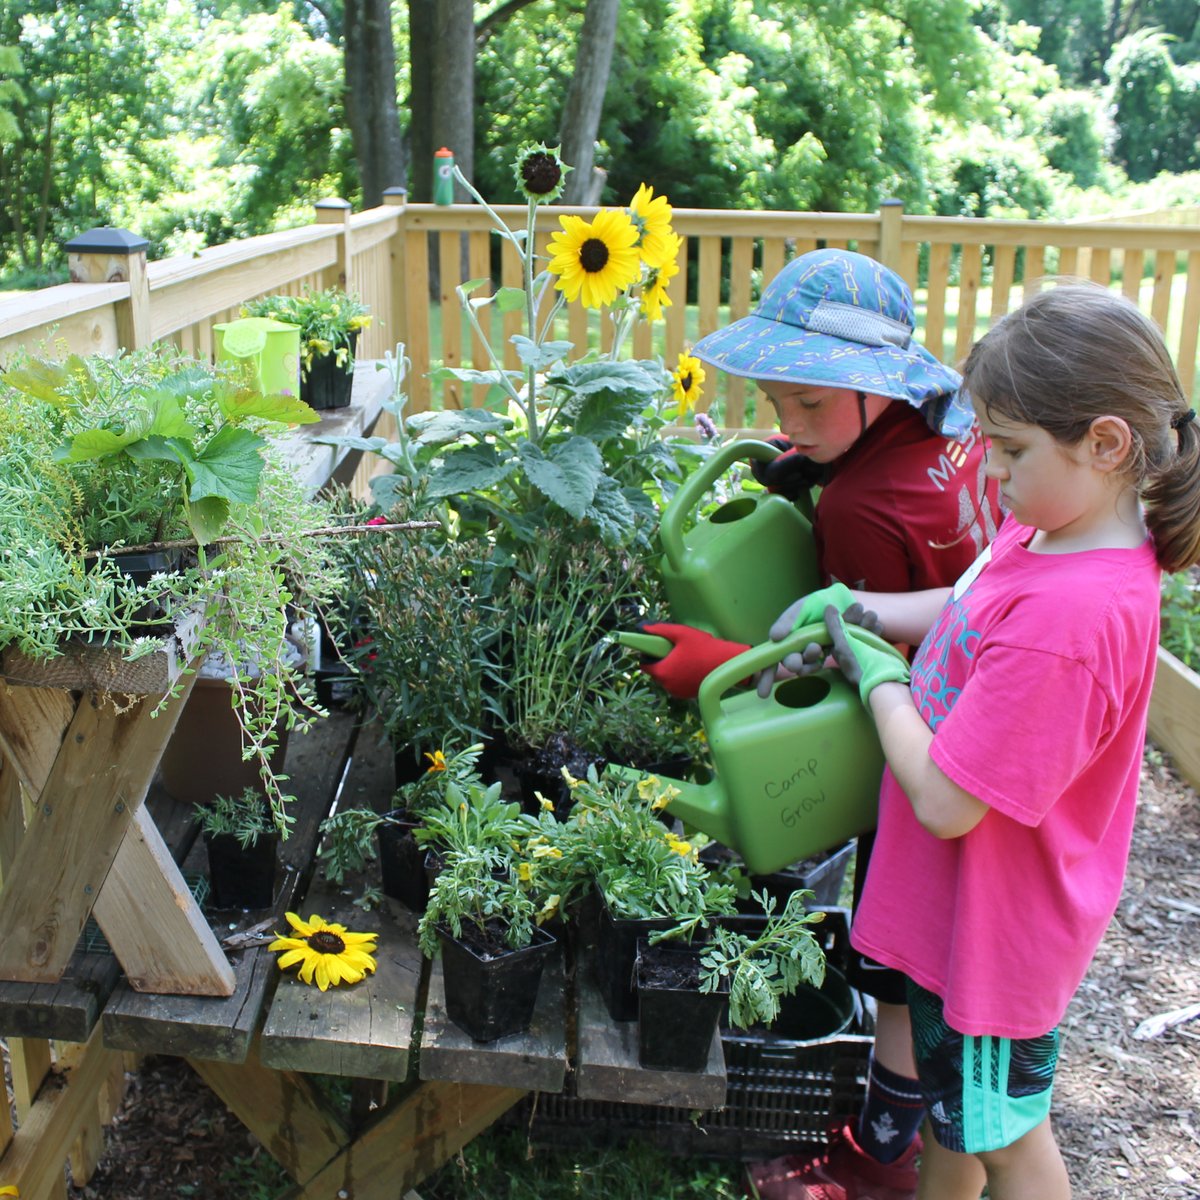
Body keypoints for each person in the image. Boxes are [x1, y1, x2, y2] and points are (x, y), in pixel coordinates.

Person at [802, 281, 1200, 1199]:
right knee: (960, 1117)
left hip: (994, 931)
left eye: (1011, 448)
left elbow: (947, 800)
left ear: (1107, 444)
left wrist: (880, 679)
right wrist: (856, 612)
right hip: (958, 912)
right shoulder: (1048, 530)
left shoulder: (1072, 619)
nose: (988, 471)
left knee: (1007, 1136)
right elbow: (966, 608)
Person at [636, 247, 1002, 1200]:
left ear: (878, 392)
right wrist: (807, 461)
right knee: (936, 966)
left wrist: (718, 663)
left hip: (914, 746)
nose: (788, 423)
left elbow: (844, 654)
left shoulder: (860, 507)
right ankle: (898, 1144)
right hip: (982, 728)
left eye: (810, 403)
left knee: (895, 965)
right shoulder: (954, 426)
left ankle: (877, 1158)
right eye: (777, 401)